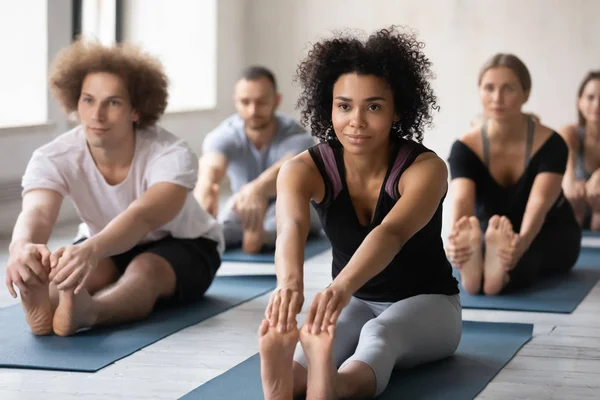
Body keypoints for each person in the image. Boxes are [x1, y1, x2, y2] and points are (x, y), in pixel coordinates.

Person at [257, 27, 461, 400]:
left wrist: (339, 287)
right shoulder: (302, 169)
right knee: (317, 339)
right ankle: (286, 381)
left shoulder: (425, 170)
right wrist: (289, 285)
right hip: (356, 300)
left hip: (429, 304)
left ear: (397, 108)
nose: (357, 121)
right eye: (344, 105)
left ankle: (332, 387)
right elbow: (290, 227)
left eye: (374, 106)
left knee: (379, 335)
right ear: (328, 106)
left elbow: (391, 234)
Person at [4, 38, 224, 337]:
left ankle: (90, 312)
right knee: (74, 272)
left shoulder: (171, 154)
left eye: (113, 102)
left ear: (136, 110)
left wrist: (92, 249)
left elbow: (143, 216)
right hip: (103, 244)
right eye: (88, 100)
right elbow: (39, 212)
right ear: (75, 102)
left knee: (144, 270)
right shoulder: (53, 156)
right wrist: (22, 247)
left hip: (185, 244)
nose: (97, 114)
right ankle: (44, 300)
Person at [446, 53, 581, 296]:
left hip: (548, 229)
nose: (497, 98)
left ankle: (495, 276)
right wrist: (456, 241)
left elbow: (539, 205)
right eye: (489, 88)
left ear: (526, 94)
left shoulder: (551, 144)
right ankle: (478, 274)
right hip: (491, 230)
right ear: (479, 91)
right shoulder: (464, 148)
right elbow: (461, 200)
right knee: (487, 247)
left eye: (508, 89)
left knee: (528, 255)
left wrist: (518, 247)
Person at [194, 67, 321, 254]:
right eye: (245, 102)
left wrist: (256, 190)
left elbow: (286, 169)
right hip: (244, 205)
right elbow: (212, 165)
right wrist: (206, 188)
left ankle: (261, 237)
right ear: (236, 102)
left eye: (261, 102)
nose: (253, 110)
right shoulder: (224, 134)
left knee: (287, 217)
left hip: (292, 202)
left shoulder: (296, 135)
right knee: (216, 231)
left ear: (276, 101)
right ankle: (245, 232)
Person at [559, 71, 600, 230]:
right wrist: (570, 181)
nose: (597, 104)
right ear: (579, 102)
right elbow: (567, 184)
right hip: (575, 221)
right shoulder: (571, 133)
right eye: (590, 97)